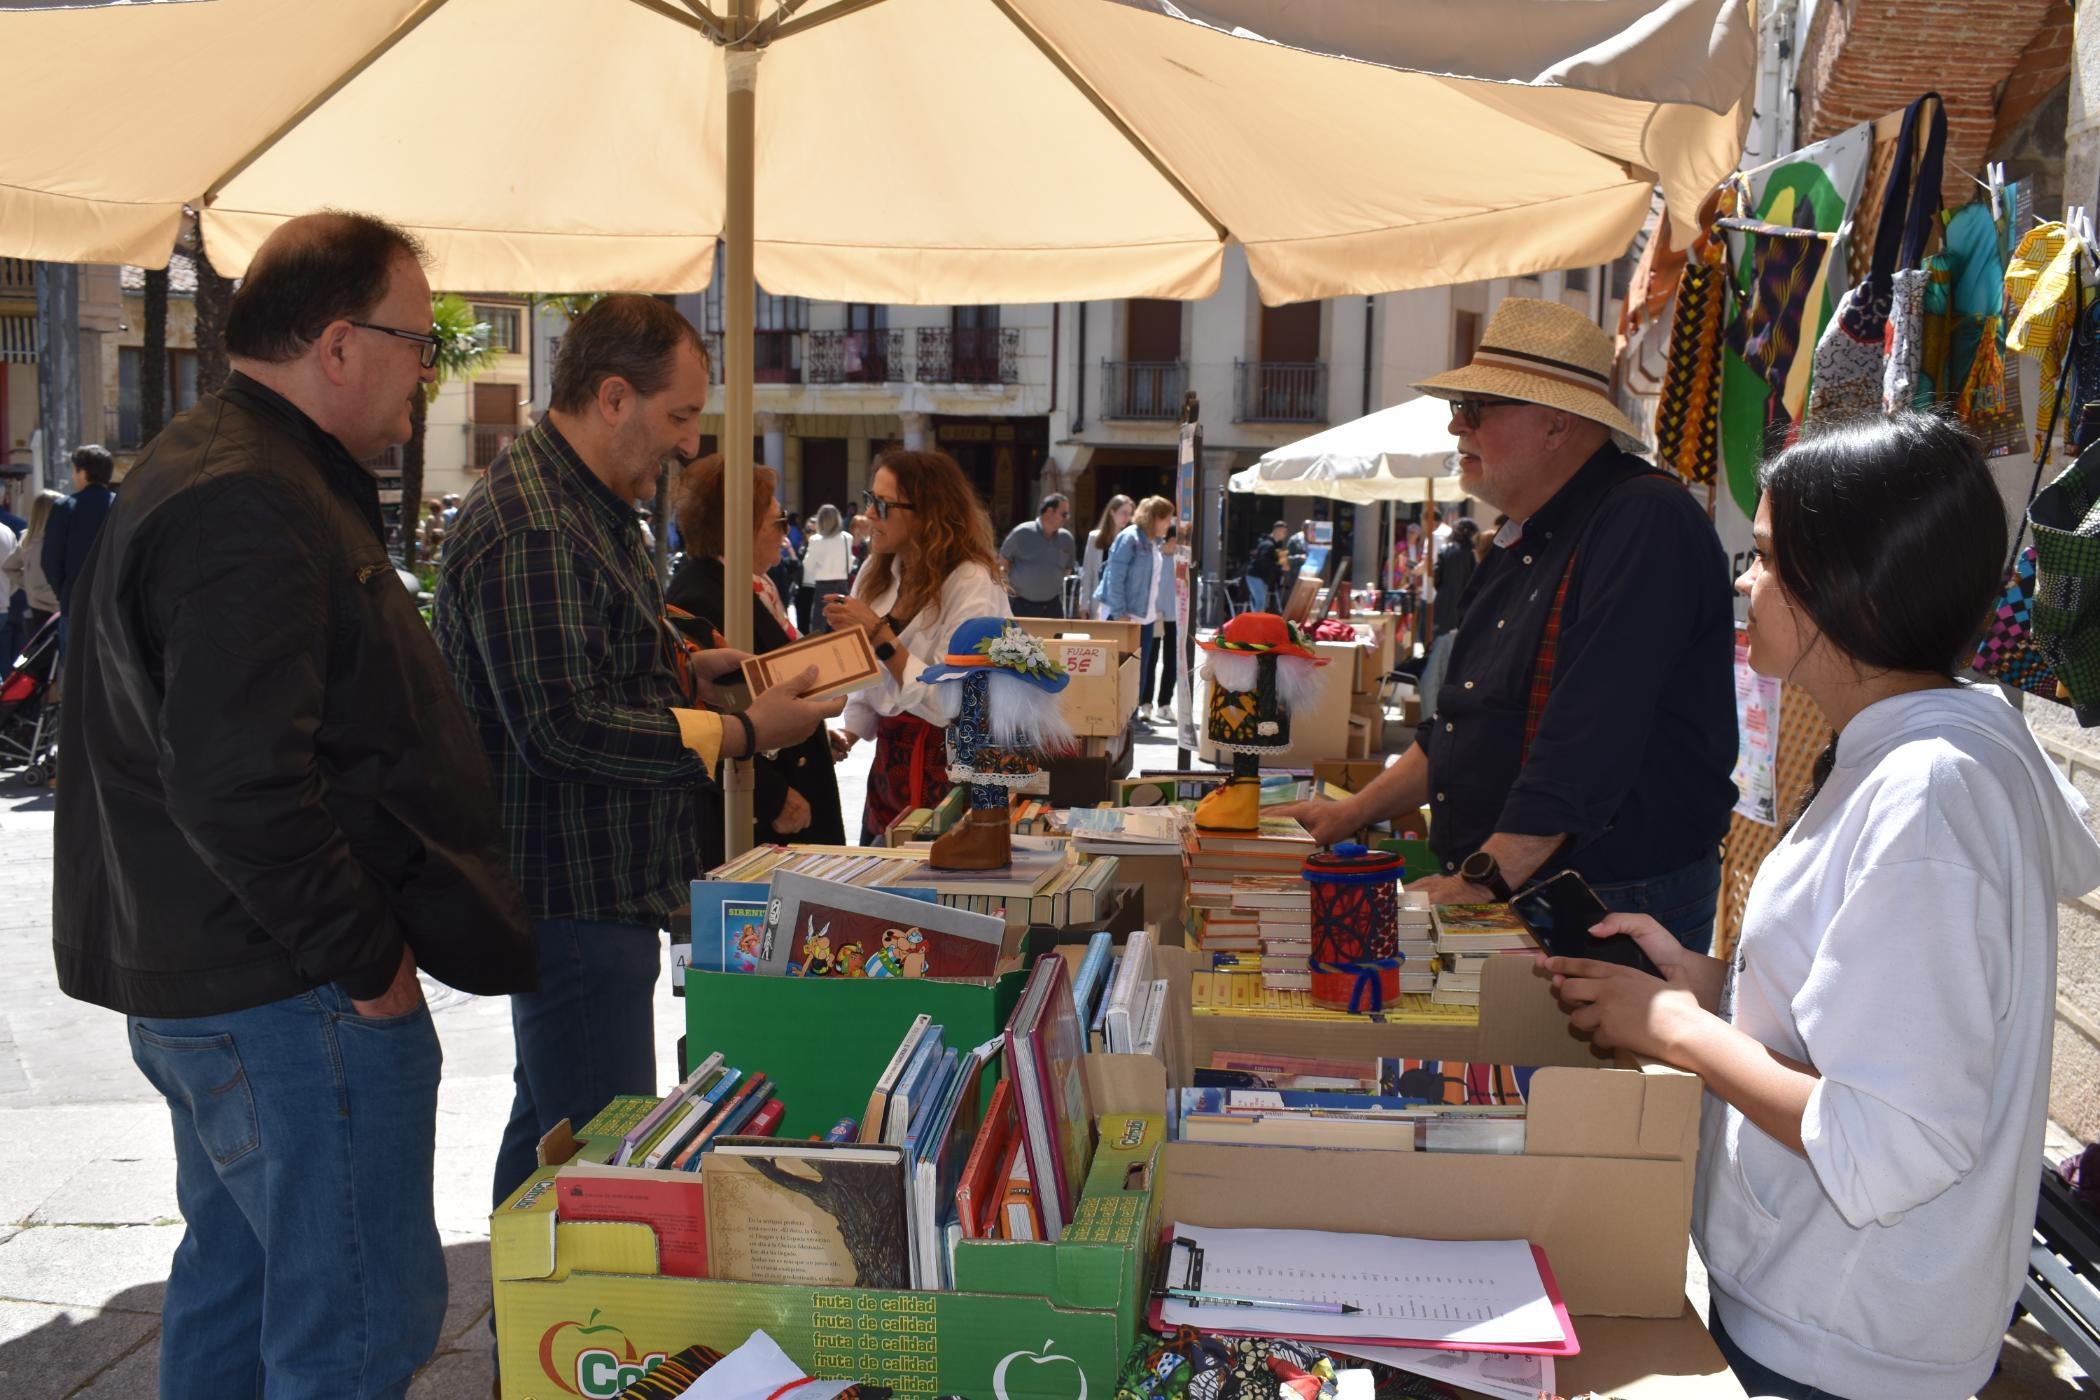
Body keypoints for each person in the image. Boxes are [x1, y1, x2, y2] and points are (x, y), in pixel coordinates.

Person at [51, 211, 537, 1400]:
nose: (429, 370)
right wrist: (365, 960)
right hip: (281, 985)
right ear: (336, 343)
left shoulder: (221, 463)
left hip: (224, 971)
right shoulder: (250, 497)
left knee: (242, 1281)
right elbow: (235, 777)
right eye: (418, 343)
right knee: (357, 1321)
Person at [1544, 413, 2100, 1399]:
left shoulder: (1929, 793)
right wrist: (1713, 984)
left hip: (1844, 1338)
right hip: (1826, 1306)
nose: (1745, 584)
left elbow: (1888, 1136)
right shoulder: (1923, 752)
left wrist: (1678, 1028)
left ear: (1852, 582)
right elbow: (1870, 1014)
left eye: (1762, 558)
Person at [431, 294, 839, 1214]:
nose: (691, 445)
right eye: (680, 417)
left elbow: (606, 650)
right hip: (570, 894)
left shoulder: (588, 503)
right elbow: (561, 726)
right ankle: (555, 1341)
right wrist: (739, 734)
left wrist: (698, 666)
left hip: (594, 889)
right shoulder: (537, 522)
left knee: (553, 1125)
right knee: (601, 1154)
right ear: (614, 397)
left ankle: (519, 1334)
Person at [1271, 298, 1736, 951]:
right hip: (1525, 885)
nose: (1458, 425)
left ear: (1554, 426)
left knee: (1566, 1061)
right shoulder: (1523, 539)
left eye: (1478, 408)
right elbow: (1462, 727)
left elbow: (1589, 738)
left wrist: (1482, 882)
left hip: (1608, 898)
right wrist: (1347, 814)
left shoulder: (1644, 522)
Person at [824, 449, 1010, 842]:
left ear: (928, 513)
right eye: (869, 498)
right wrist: (850, 732)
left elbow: (949, 702)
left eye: (882, 504)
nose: (868, 514)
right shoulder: (878, 575)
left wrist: (880, 635)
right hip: (889, 781)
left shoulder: (972, 582)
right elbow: (869, 682)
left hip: (954, 781)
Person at [669, 458, 846, 865]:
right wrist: (772, 796)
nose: (785, 536)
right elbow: (703, 718)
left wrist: (810, 726)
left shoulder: (752, 584)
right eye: (778, 523)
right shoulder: (701, 595)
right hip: (755, 813)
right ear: (740, 529)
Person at [1096, 495, 1173, 710]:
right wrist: (1120, 612)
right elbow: (1115, 576)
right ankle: (1114, 715)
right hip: (1125, 616)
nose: (1169, 524)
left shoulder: (1153, 542)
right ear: (1155, 518)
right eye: (1166, 519)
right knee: (1119, 669)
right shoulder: (1130, 538)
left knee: (1139, 669)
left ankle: (1131, 717)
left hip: (1144, 617)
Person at [1413, 517, 1479, 717]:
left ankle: (1432, 714)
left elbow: (1436, 580)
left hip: (1442, 613)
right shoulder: (1471, 555)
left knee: (1436, 664)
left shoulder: (1445, 551)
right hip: (1463, 615)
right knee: (1451, 666)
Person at [42, 443, 117, 614]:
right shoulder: (124, 507)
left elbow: (50, 559)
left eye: (74, 470)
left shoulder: (65, 507)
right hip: (114, 608)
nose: (73, 476)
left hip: (75, 605)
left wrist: (65, 592)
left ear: (83, 473)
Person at [999, 491, 1076, 618]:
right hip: (1021, 605)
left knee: (1054, 638)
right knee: (1019, 638)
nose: (1067, 518)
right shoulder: (1022, 533)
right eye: (1064, 514)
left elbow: (1068, 569)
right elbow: (1004, 562)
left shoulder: (1066, 539)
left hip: (1052, 606)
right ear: (1050, 512)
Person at [3, 488, 64, 639]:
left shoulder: (27, 539)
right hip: (58, 607)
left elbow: (9, 566)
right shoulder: (56, 541)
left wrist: (28, 584)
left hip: (36, 607)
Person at [1143, 522, 1182, 725]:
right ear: (1169, 539)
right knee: (1150, 659)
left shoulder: (1182, 559)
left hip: (1175, 616)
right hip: (1155, 615)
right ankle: (1145, 703)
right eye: (1177, 540)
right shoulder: (1155, 555)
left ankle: (1164, 704)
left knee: (1172, 661)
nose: (1179, 545)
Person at [802, 504, 853, 634]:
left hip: (823, 586)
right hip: (842, 585)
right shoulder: (847, 537)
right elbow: (850, 564)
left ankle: (817, 651)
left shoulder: (815, 540)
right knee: (844, 620)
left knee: (819, 623)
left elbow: (808, 565)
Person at [1079, 495, 1133, 616]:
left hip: (1121, 605)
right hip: (1098, 601)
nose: (1127, 517)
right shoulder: (1094, 538)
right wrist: (1083, 605)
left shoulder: (1129, 540)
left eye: (1129, 514)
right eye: (1123, 512)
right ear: (1112, 512)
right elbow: (1087, 573)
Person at [1245, 519, 1289, 613]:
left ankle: (1257, 624)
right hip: (1256, 577)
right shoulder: (1268, 544)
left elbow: (1271, 560)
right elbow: (1264, 562)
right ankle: (1256, 625)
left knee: (1260, 604)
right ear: (1277, 530)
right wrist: (1280, 567)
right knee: (1260, 604)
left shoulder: (1274, 545)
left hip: (1260, 577)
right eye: (1284, 532)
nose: (1285, 534)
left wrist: (1281, 563)